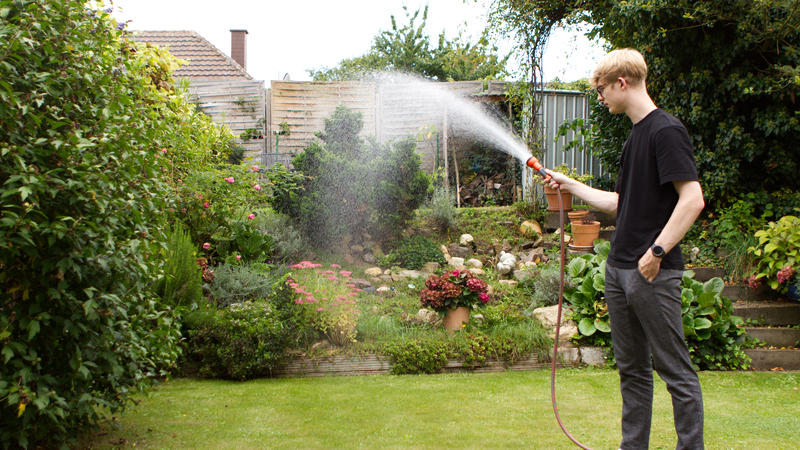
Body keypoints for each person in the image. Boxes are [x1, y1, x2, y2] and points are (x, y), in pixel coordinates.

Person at [545, 48, 706, 449]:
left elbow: (693, 199)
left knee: (676, 372)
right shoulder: (636, 134)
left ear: (622, 82)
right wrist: (571, 186)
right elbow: (624, 201)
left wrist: (656, 253)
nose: (599, 97)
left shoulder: (666, 131)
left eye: (601, 89)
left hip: (651, 271)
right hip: (618, 270)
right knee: (632, 373)